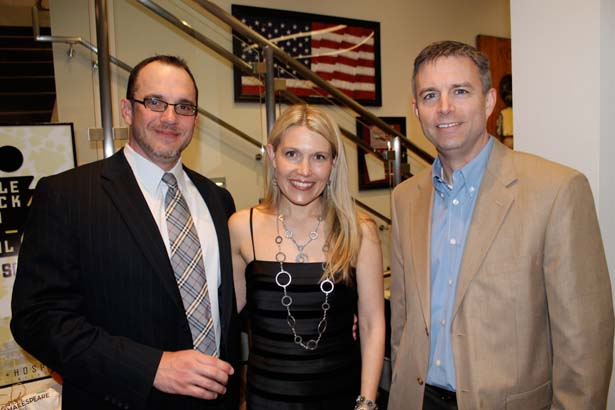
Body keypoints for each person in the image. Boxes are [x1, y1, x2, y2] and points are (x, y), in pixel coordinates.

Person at [388, 40, 614, 410]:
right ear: (416, 109)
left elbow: (584, 345)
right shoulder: (405, 198)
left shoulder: (556, 191)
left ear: (489, 100)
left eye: (460, 91)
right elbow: (403, 318)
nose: (444, 107)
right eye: (430, 95)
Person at [11, 55, 240, 409]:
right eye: (155, 102)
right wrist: (151, 368)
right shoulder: (67, 195)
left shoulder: (218, 199)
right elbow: (37, 319)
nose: (170, 117)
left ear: (195, 118)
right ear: (127, 110)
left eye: (184, 106)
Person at [229, 104, 385, 409]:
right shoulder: (241, 227)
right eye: (292, 154)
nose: (304, 170)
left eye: (319, 157)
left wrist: (367, 403)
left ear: (333, 163)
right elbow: (223, 320)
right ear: (272, 155)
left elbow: (372, 323)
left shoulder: (359, 231)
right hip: (267, 401)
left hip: (341, 398)